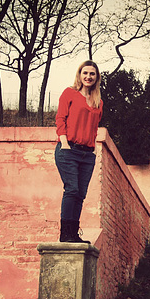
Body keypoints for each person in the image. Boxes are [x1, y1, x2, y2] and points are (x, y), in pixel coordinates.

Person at [55, 60, 103, 243]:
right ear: (79, 75)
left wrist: (94, 147)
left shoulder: (98, 101)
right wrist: (65, 143)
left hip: (87, 154)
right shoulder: (70, 93)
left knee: (80, 194)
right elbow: (61, 119)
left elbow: (94, 126)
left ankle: (73, 234)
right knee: (72, 189)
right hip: (69, 150)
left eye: (92, 74)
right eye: (85, 73)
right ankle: (65, 234)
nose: (88, 77)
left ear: (96, 77)